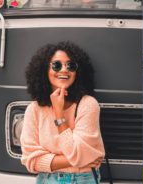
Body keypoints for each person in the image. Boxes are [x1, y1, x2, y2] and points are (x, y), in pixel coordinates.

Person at [20, 41, 105, 184]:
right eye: (56, 65)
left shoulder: (88, 104)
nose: (64, 70)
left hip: (84, 180)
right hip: (47, 180)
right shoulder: (33, 110)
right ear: (44, 70)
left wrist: (59, 114)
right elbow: (30, 160)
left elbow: (78, 155)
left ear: (77, 72)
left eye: (70, 65)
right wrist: (83, 158)